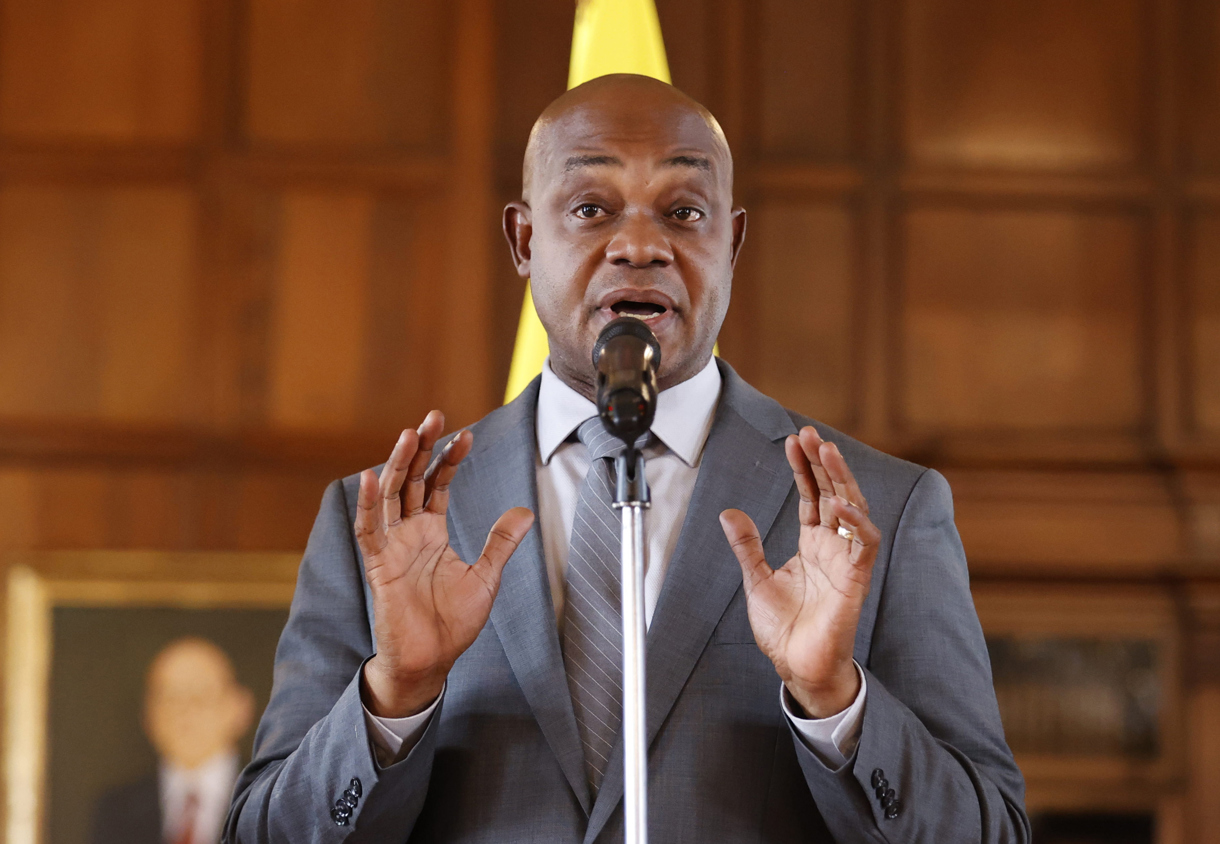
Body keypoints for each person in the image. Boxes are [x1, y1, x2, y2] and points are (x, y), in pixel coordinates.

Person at [225, 74, 1029, 843]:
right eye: (590, 207)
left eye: (684, 212)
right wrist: (393, 698)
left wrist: (836, 704)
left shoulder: (882, 507)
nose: (640, 245)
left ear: (732, 242)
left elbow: (987, 831)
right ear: (525, 239)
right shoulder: (384, 518)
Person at [92, 637, 254, 844]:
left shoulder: (272, 800)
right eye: (170, 697)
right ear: (148, 713)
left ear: (240, 708)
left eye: (202, 695)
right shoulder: (115, 810)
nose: (185, 711)